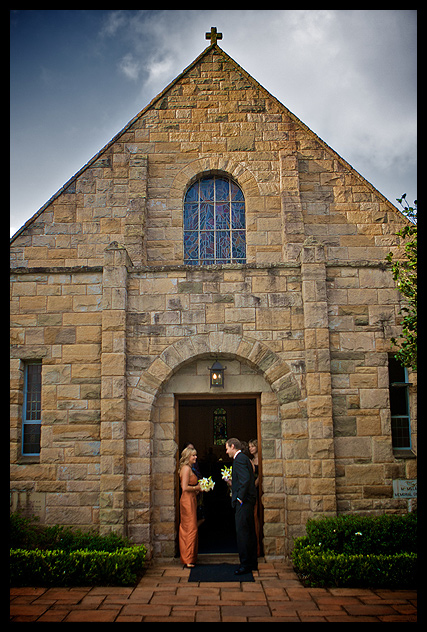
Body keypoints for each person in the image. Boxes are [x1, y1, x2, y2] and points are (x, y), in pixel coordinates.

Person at [225, 438, 258, 574]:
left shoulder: (239, 460)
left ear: (233, 446)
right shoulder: (244, 459)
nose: (226, 452)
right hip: (248, 501)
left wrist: (239, 498)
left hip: (244, 503)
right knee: (250, 532)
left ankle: (245, 564)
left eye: (227, 448)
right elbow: (244, 480)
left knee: (243, 533)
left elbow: (245, 480)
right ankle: (252, 562)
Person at [178, 446, 201, 568]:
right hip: (187, 500)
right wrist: (198, 488)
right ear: (188, 457)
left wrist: (196, 490)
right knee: (190, 528)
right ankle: (188, 558)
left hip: (191, 499)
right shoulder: (186, 469)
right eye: (193, 455)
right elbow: (184, 487)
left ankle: (190, 557)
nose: (195, 457)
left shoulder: (188, 468)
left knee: (190, 527)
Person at [249, 439, 261, 556]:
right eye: (249, 447)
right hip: (252, 488)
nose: (250, 448)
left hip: (256, 489)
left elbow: (261, 474)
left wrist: (255, 485)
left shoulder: (260, 460)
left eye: (252, 446)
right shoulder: (251, 460)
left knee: (256, 516)